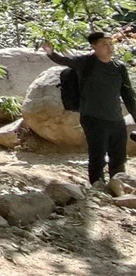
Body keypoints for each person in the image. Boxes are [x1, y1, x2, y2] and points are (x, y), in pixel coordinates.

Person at [42, 32, 136, 187]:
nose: (109, 47)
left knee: (119, 157)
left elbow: (128, 95)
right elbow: (65, 60)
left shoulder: (119, 68)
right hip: (93, 118)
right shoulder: (86, 63)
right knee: (97, 156)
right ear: (94, 47)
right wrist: (50, 52)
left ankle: (118, 186)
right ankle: (97, 187)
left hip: (116, 119)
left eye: (111, 44)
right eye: (104, 44)